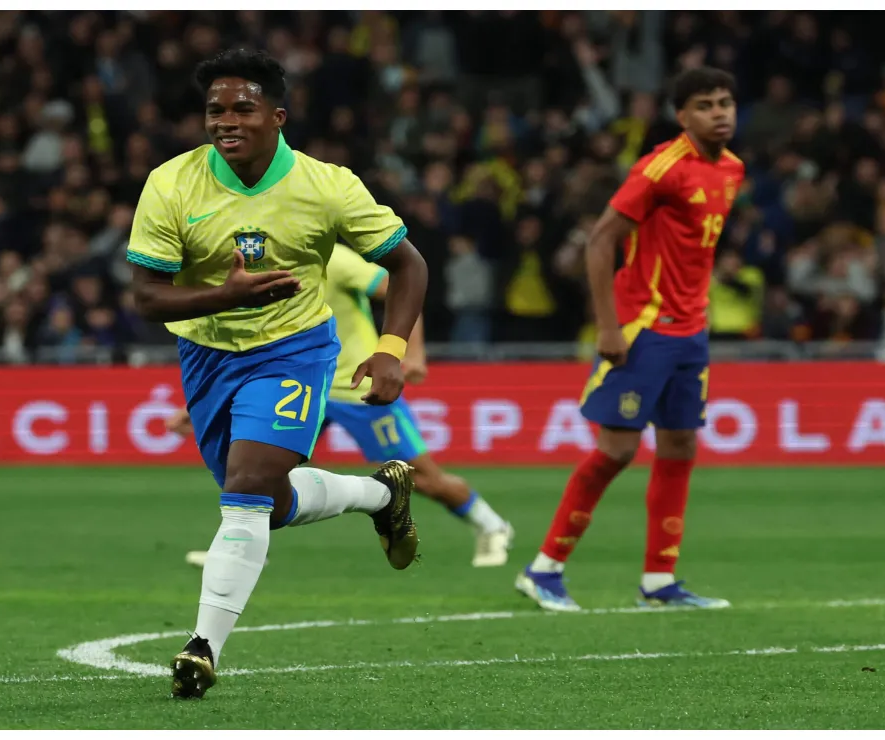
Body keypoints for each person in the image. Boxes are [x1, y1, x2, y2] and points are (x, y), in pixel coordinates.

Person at [128, 49, 428, 699]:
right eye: (215, 110)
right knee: (267, 502)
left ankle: (202, 646)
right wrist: (225, 298)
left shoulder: (327, 186)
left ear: (277, 116)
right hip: (206, 356)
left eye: (243, 108)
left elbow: (409, 265)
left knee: (248, 485)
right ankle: (381, 497)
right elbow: (147, 297)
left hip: (294, 349)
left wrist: (390, 348)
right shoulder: (172, 184)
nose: (225, 120)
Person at [516, 67, 745, 612]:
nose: (720, 112)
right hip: (644, 330)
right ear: (681, 115)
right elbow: (600, 243)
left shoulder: (733, 170)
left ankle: (659, 583)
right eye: (706, 104)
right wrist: (610, 325)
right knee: (617, 450)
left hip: (691, 333)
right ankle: (544, 569)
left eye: (726, 102)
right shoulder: (660, 169)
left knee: (680, 447)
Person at [171, 244, 514, 568]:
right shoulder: (264, 263)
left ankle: (492, 526)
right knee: (256, 469)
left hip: (358, 388)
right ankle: (242, 549)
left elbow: (400, 287)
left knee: (422, 479)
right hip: (300, 383)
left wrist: (411, 354)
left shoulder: (335, 259)